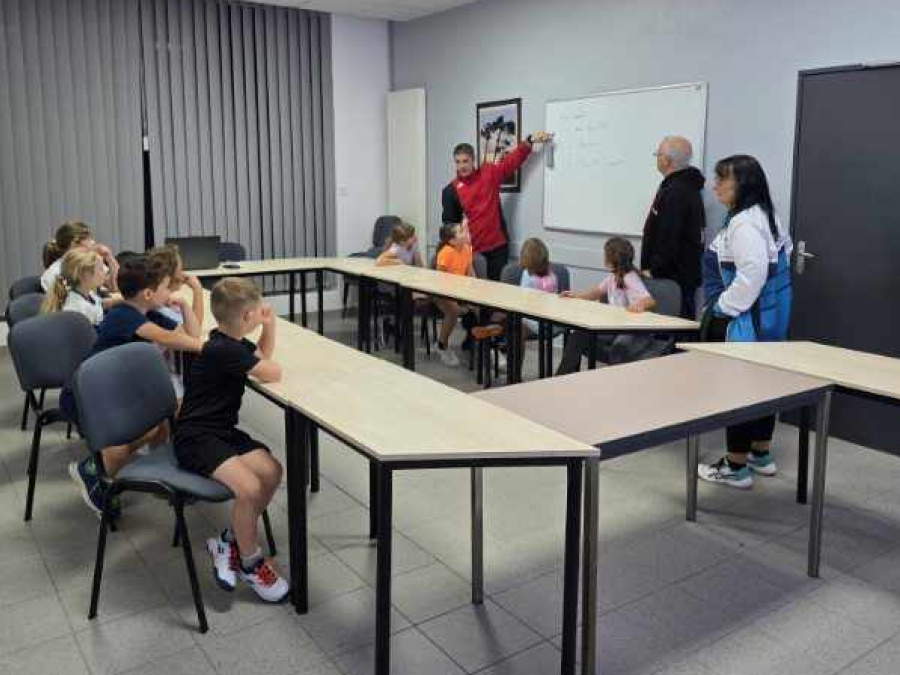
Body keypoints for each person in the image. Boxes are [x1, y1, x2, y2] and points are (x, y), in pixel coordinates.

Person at [175, 277, 288, 602]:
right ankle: (251, 564)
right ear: (247, 316)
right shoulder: (224, 350)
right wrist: (268, 327)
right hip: (196, 436)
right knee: (249, 488)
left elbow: (262, 356)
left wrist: (269, 325)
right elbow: (272, 370)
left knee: (271, 471)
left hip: (221, 430)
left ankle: (229, 542)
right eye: (257, 313)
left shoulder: (228, 341)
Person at [66, 255, 203, 517]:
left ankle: (158, 474)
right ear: (149, 294)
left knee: (168, 415)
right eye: (166, 287)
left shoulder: (147, 311)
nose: (171, 292)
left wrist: (186, 305)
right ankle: (95, 475)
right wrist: (212, 348)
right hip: (87, 396)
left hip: (116, 388)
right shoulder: (123, 316)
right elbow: (170, 339)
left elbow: (190, 335)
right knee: (121, 446)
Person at [697, 155, 792, 489]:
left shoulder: (743, 224)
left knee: (737, 388)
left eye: (722, 179)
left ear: (743, 184)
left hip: (746, 319)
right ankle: (759, 454)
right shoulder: (766, 215)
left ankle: (735, 467)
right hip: (771, 318)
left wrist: (721, 308)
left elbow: (752, 274)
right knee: (764, 383)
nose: (715, 186)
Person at [442, 132, 553, 280]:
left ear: (473, 160)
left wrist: (529, 141)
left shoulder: (488, 173)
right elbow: (450, 229)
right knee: (475, 290)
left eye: (465, 161)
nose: (461, 166)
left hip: (498, 247)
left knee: (498, 288)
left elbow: (511, 163)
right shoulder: (450, 191)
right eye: (457, 162)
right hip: (473, 251)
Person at [555, 237, 656, 375]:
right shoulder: (613, 277)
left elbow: (649, 300)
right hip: (613, 327)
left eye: (605, 254)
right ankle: (561, 376)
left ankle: (562, 377)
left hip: (627, 331)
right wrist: (575, 296)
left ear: (612, 259)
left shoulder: (629, 278)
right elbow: (595, 292)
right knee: (577, 336)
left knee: (583, 339)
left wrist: (640, 305)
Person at [640, 136, 706, 319]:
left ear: (666, 160)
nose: (656, 158)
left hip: (672, 281)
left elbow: (669, 237)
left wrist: (654, 270)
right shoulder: (682, 186)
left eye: (658, 154)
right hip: (676, 278)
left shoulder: (677, 192)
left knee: (672, 329)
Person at [147, 244, 205, 398]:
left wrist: (197, 291)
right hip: (169, 384)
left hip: (175, 378)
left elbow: (193, 324)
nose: (184, 274)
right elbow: (194, 333)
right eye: (180, 269)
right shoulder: (157, 311)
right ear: (169, 276)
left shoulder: (167, 303)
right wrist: (197, 292)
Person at [433, 222, 475, 366]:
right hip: (442, 292)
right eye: (460, 231)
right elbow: (440, 281)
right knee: (453, 311)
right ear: (452, 241)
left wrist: (477, 292)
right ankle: (442, 345)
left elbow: (471, 274)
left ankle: (485, 346)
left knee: (482, 307)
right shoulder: (446, 253)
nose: (465, 232)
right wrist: (454, 299)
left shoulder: (467, 248)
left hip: (460, 292)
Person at [41, 221, 119, 294]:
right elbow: (72, 302)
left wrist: (109, 257)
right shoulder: (53, 274)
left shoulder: (93, 263)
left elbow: (115, 287)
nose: (93, 242)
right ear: (74, 244)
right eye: (89, 239)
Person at [40, 249, 107, 325]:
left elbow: (98, 305)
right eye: (101, 269)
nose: (105, 271)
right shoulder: (76, 309)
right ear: (85, 275)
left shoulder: (88, 294)